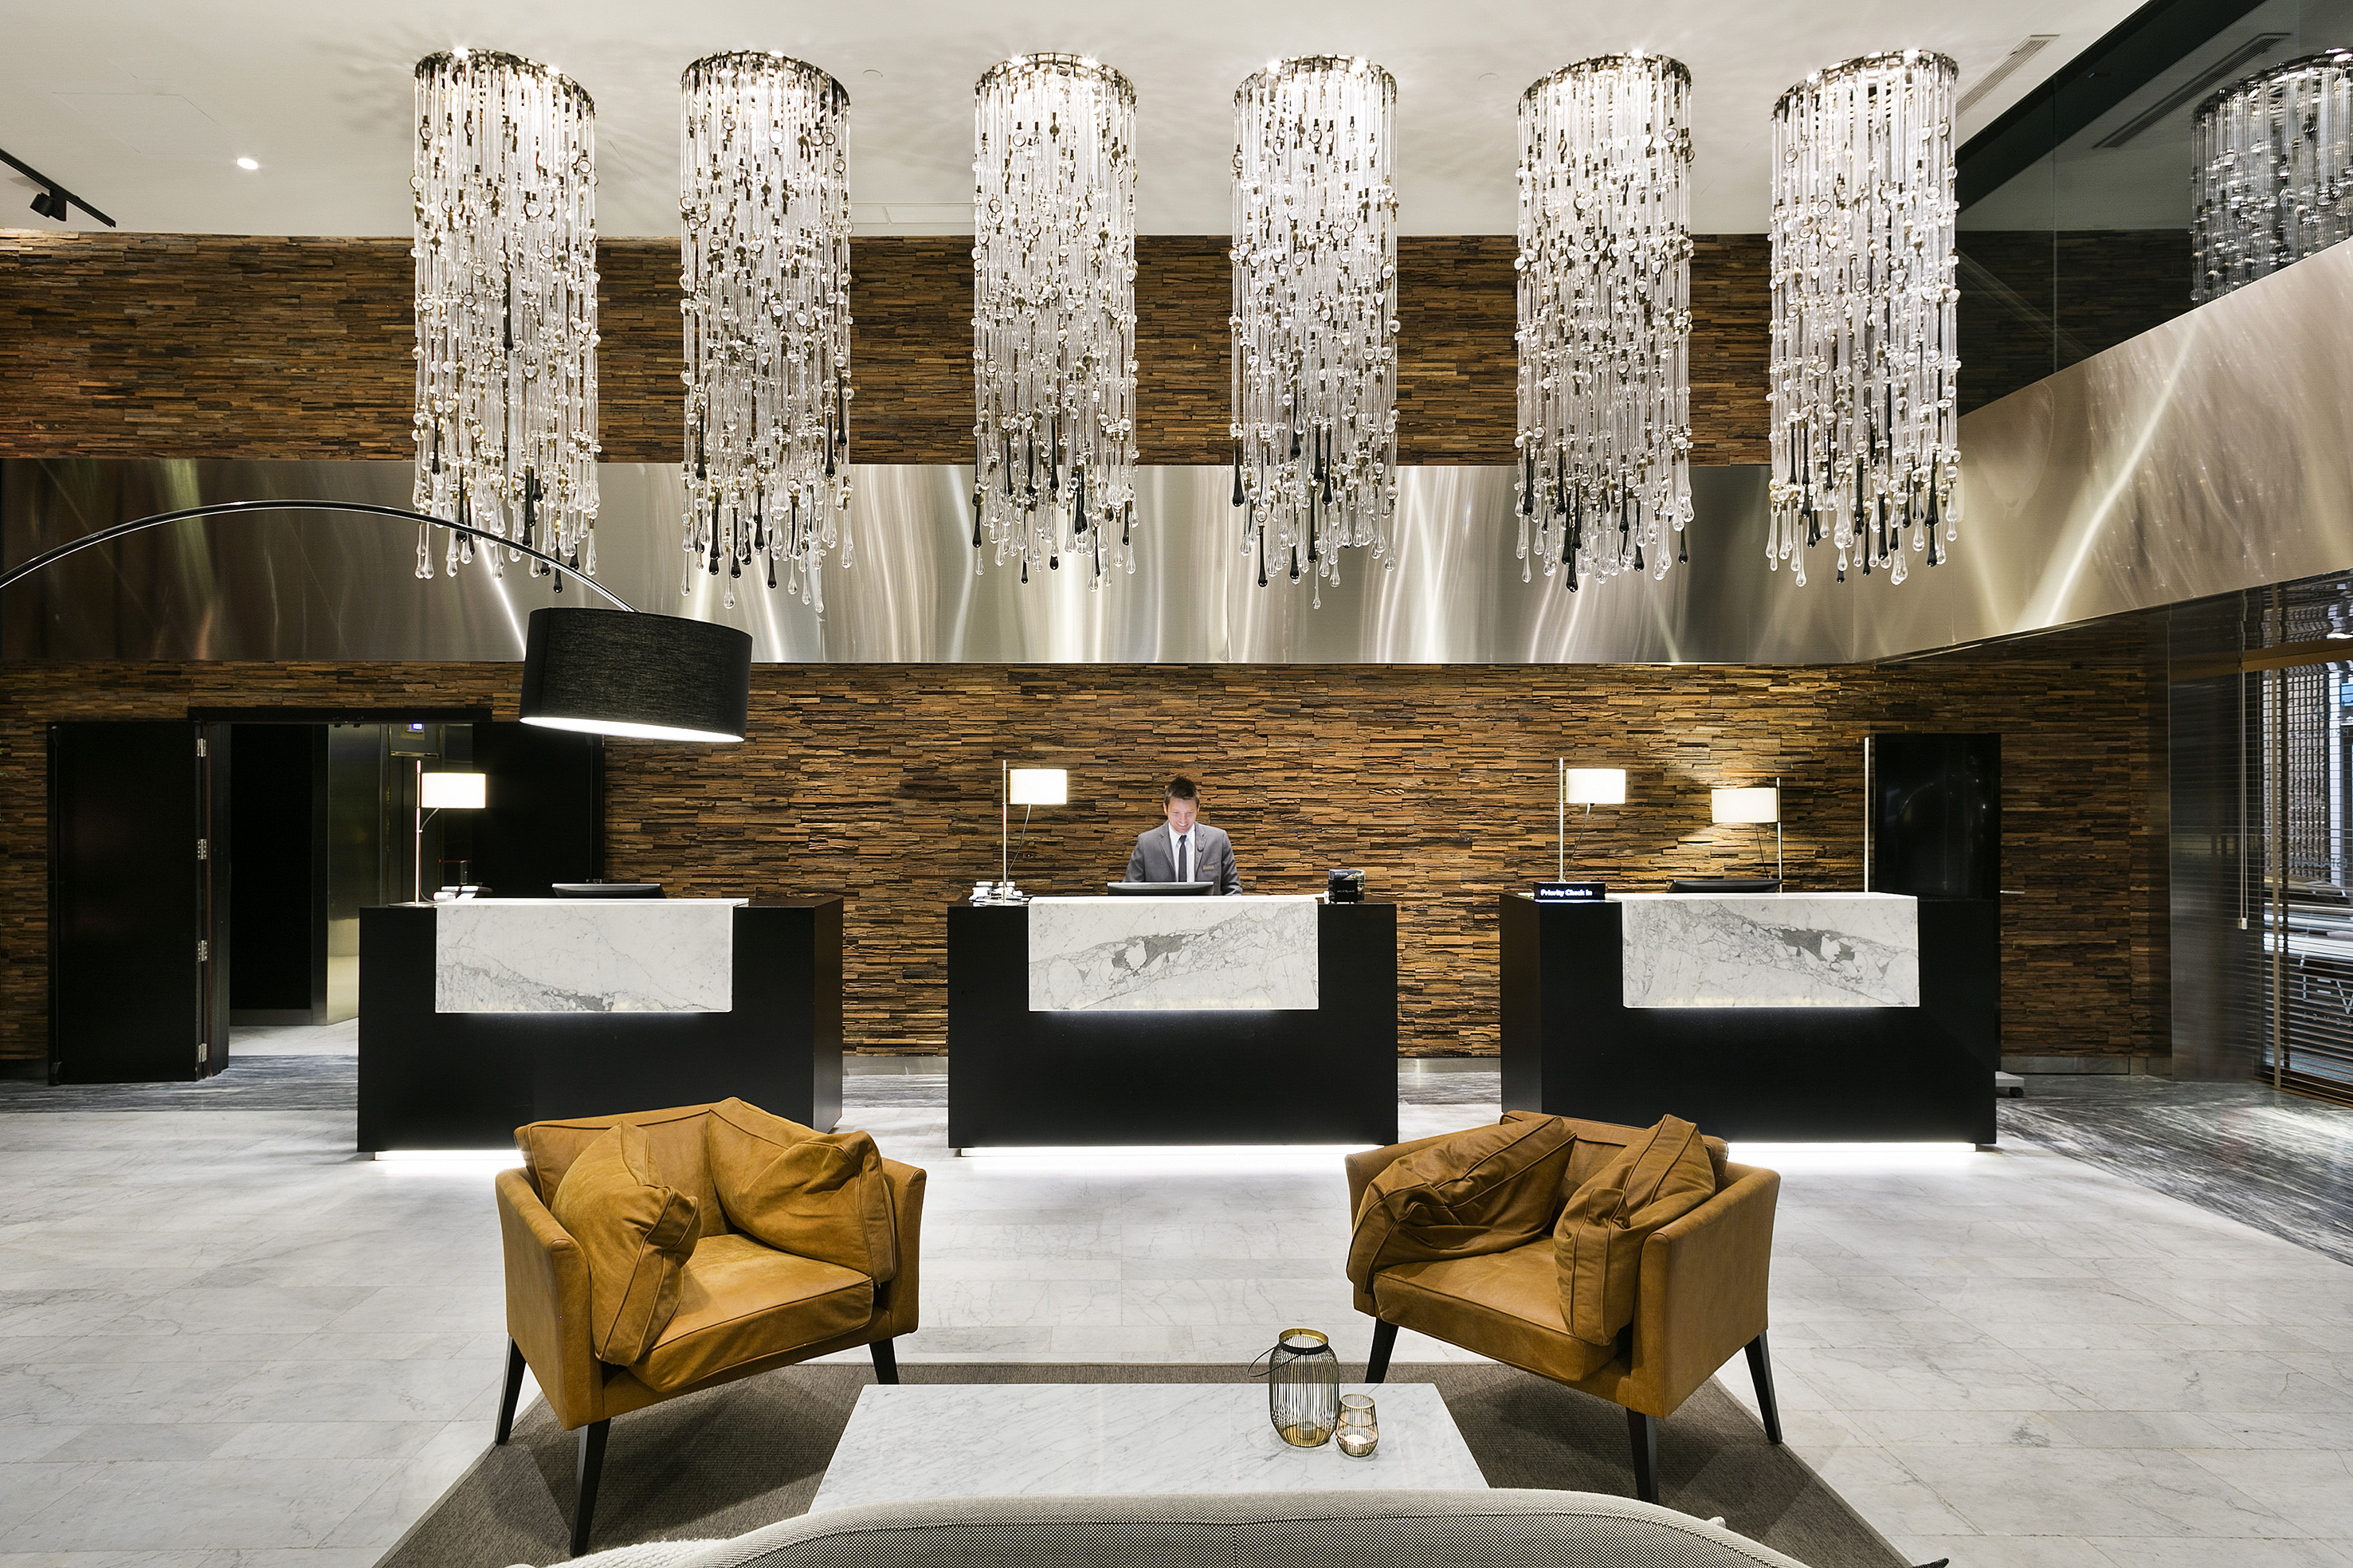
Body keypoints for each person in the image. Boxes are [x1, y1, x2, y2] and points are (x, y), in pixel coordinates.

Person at [1125, 775, 1241, 895]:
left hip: (1207, 912)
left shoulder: (1218, 839)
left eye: (1189, 813)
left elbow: (1233, 889)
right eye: (1176, 813)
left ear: (1198, 809)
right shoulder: (1146, 843)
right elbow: (1129, 893)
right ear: (1165, 808)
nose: (1183, 821)